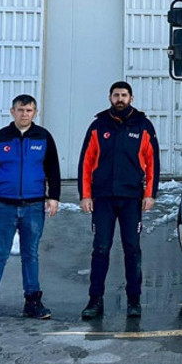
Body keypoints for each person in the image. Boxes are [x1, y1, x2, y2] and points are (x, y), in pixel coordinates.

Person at [0, 94, 60, 325]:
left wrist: (54, 197)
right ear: (12, 111)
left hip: (33, 206)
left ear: (35, 113)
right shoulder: (0, 139)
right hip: (5, 207)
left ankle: (33, 301)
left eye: (29, 110)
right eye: (20, 110)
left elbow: (53, 169)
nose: (24, 114)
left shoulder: (43, 137)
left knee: (30, 254)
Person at [78, 81, 160, 320]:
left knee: (132, 249)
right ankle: (95, 301)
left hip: (131, 199)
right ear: (110, 98)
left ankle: (134, 300)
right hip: (103, 198)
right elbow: (86, 162)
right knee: (101, 249)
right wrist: (85, 195)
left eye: (124, 95)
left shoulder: (143, 126)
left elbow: (153, 161)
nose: (120, 99)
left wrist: (150, 194)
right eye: (116, 95)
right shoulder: (98, 126)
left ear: (131, 98)